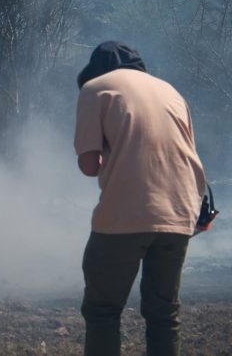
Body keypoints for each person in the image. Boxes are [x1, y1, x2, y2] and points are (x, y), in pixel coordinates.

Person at [74, 41, 207, 356]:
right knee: (164, 314)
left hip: (126, 214)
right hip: (180, 213)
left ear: (97, 70)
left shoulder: (95, 88)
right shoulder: (171, 92)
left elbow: (89, 166)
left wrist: (114, 157)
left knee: (103, 309)